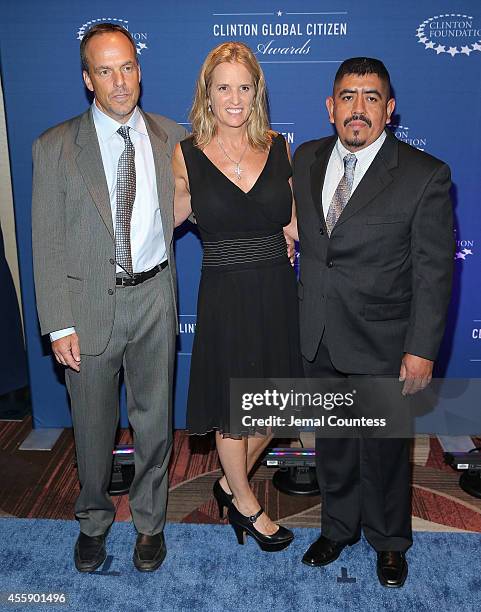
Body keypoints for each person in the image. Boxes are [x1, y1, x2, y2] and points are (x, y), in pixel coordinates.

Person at [32, 23, 187, 573]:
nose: (119, 82)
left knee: (154, 423)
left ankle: (150, 525)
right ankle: (93, 522)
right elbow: (45, 242)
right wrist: (58, 322)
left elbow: (193, 204)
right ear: (87, 79)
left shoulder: (171, 137)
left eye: (126, 68)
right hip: (89, 308)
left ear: (139, 72)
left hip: (154, 299)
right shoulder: (54, 148)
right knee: (93, 432)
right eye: (105, 70)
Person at [293, 57, 454, 586]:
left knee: (385, 451)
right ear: (329, 106)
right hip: (319, 334)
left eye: (369, 98)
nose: (356, 109)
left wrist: (422, 348)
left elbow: (433, 273)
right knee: (333, 444)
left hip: (386, 340)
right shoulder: (307, 158)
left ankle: (389, 540)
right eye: (346, 97)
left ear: (389, 108)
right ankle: (338, 528)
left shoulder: (424, 176)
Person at [173, 42, 301, 551]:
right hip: (224, 290)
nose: (234, 98)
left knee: (276, 405)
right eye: (223, 86)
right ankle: (247, 505)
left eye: (243, 87)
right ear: (207, 92)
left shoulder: (280, 145)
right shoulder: (184, 154)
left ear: (257, 92)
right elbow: (166, 216)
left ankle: (229, 484)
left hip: (274, 285)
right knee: (235, 407)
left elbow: (293, 220)